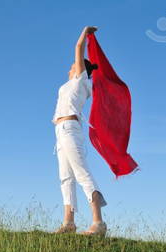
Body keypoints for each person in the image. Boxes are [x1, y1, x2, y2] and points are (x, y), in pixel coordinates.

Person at [51, 26, 107, 236]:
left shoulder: (81, 80)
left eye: (73, 64)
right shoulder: (71, 84)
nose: (70, 66)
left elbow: (78, 47)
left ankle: (98, 223)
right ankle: (69, 223)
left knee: (82, 173)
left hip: (71, 129)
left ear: (80, 68)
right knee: (66, 178)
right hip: (60, 130)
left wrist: (85, 32)